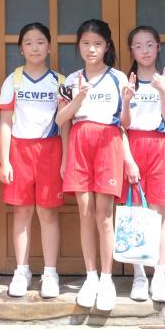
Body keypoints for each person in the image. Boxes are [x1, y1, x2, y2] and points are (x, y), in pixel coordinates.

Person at [57, 19, 138, 312]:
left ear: (107, 46)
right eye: (86, 43)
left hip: (108, 144)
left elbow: (125, 124)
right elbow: (60, 121)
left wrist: (127, 102)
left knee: (104, 215)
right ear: (78, 46)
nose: (91, 49)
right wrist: (78, 98)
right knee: (85, 213)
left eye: (98, 44)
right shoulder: (70, 80)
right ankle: (90, 277)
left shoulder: (118, 78)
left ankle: (106, 279)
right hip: (79, 145)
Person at [0, 23, 65, 299]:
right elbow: (5, 123)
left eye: (40, 42)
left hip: (51, 150)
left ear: (49, 47)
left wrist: (66, 158)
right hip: (19, 151)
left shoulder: (60, 82)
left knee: (48, 213)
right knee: (22, 212)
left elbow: (66, 124)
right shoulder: (12, 80)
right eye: (28, 42)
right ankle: (22, 270)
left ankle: (50, 272)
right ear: (21, 49)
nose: (34, 47)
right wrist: (4, 161)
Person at [121, 26, 165, 303]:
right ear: (131, 50)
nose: (144, 51)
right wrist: (126, 101)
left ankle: (159, 277)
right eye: (138, 46)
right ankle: (139, 277)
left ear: (158, 47)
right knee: (135, 213)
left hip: (159, 146)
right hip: (133, 147)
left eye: (149, 45)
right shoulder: (126, 81)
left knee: (158, 214)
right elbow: (122, 125)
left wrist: (163, 93)